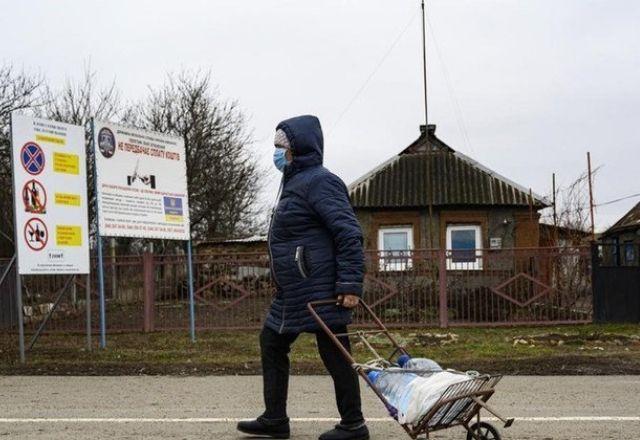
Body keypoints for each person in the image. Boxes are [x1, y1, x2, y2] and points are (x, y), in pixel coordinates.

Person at [237, 115, 369, 440]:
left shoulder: (320, 181)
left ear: (298, 148)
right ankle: (275, 419)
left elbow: (349, 233)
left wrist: (350, 285)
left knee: (335, 351)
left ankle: (354, 425)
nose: (277, 153)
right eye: (275, 147)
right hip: (295, 290)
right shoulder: (294, 183)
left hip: (321, 287)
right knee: (271, 342)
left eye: (281, 147)